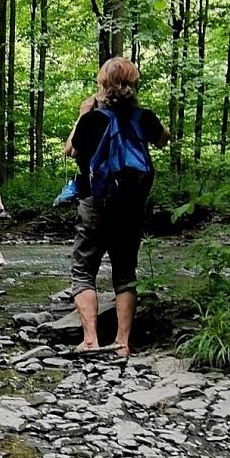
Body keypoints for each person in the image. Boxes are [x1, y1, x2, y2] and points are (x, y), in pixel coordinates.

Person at [64, 57, 170, 357]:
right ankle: (122, 343)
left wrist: (82, 114)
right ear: (134, 84)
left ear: (103, 84)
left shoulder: (92, 119)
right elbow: (163, 139)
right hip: (131, 206)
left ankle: (90, 340)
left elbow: (70, 150)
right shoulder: (143, 117)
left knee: (83, 270)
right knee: (125, 272)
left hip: (94, 202)